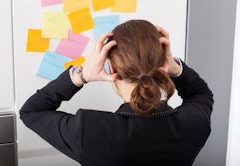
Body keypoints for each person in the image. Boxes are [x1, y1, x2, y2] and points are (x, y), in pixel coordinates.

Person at [20, 20, 214, 166]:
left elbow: (31, 112)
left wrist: (82, 75)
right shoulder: (195, 122)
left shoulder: (90, 131)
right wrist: (175, 67)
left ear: (111, 66)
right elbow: (201, 94)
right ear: (163, 63)